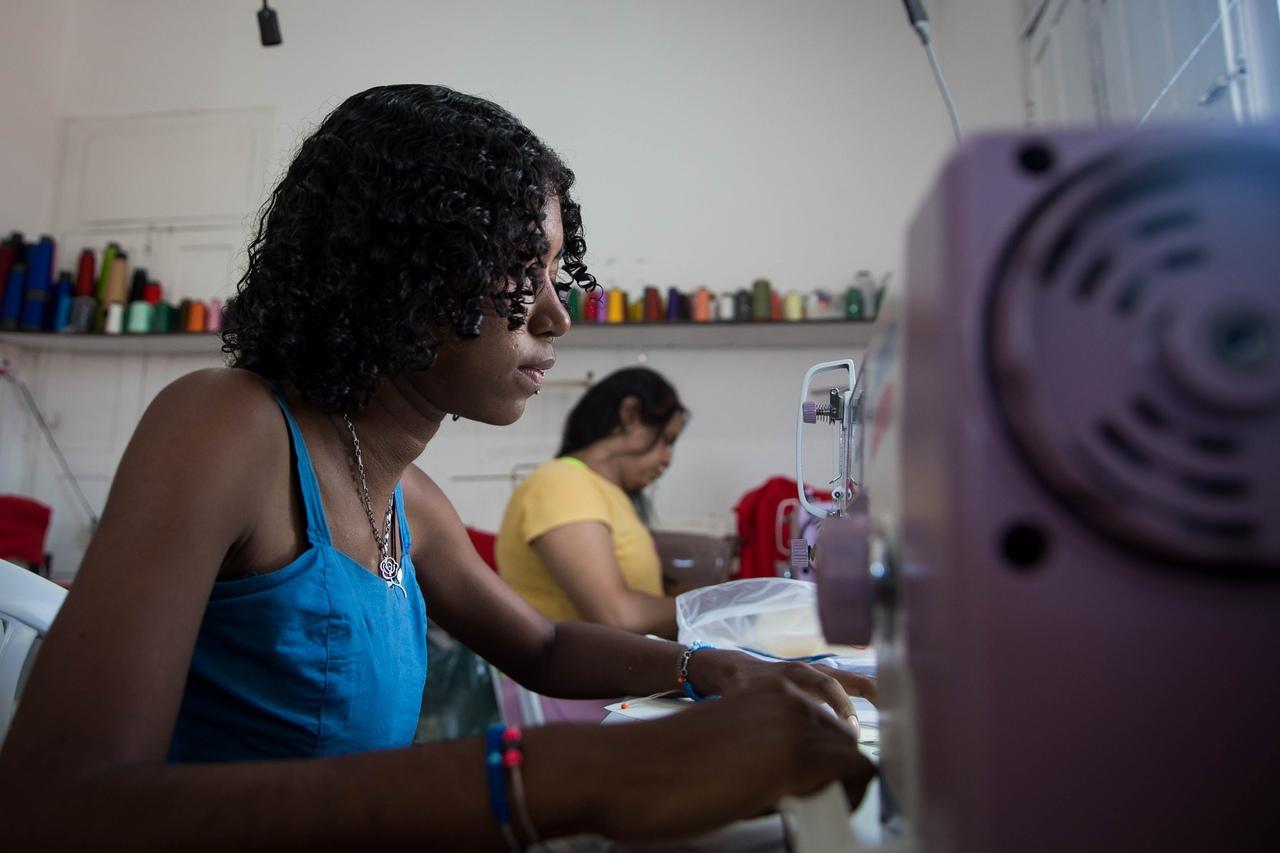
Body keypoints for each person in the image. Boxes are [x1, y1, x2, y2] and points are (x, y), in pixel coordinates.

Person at [0, 84, 874, 849]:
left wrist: (704, 666)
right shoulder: (226, 428)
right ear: (403, 270)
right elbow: (55, 811)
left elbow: (542, 642)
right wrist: (575, 773)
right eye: (519, 272)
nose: (555, 317)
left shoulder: (409, 501)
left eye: (553, 274)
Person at [496, 367, 687, 639]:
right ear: (629, 413)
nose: (667, 459)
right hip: (568, 679)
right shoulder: (561, 483)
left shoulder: (605, 492)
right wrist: (707, 608)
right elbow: (616, 615)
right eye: (665, 440)